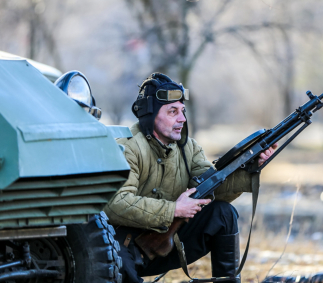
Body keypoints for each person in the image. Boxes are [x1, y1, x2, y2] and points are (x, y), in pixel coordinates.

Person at [103, 73, 277, 283]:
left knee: (223, 214)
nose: (182, 119)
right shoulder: (128, 147)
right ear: (150, 115)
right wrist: (173, 210)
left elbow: (214, 188)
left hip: (166, 244)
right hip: (123, 249)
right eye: (173, 111)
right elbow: (114, 204)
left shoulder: (189, 148)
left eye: (182, 111)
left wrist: (250, 167)